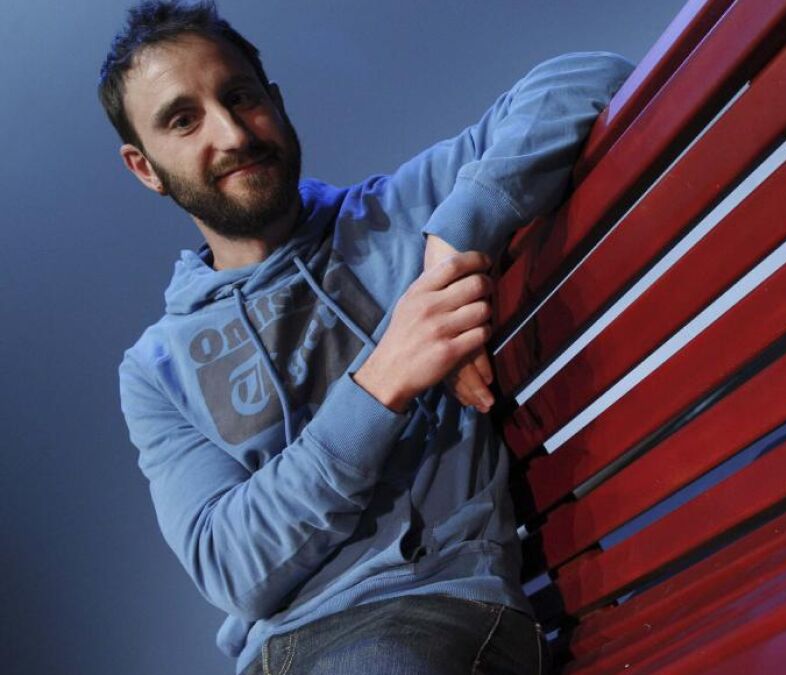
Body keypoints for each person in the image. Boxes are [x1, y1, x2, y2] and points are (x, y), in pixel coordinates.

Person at [102, 1, 632, 673]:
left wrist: (454, 240)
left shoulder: (399, 213)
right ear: (145, 167)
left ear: (276, 102)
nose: (232, 133)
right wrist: (382, 380)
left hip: (427, 608)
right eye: (184, 120)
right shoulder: (155, 369)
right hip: (272, 656)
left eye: (240, 97)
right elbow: (232, 567)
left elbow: (590, 77)